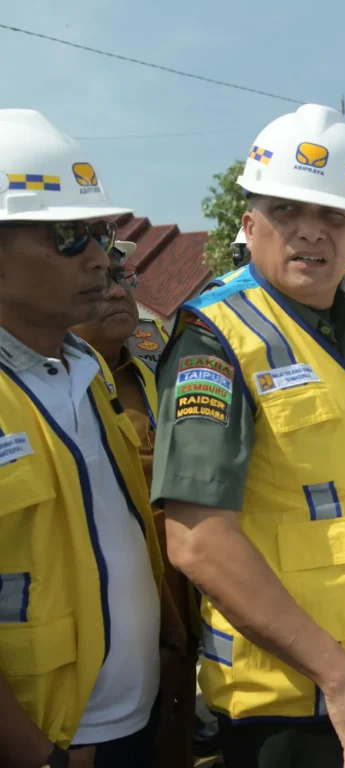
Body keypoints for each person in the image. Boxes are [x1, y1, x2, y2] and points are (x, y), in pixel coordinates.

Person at [149, 103, 345, 767]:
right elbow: (197, 540)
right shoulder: (214, 339)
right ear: (249, 224)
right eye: (287, 210)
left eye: (334, 215)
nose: (312, 231)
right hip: (295, 700)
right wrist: (338, 678)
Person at [0, 109, 169, 767]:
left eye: (101, 232)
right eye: (70, 236)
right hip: (51, 744)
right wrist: (37, 755)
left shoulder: (91, 369)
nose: (101, 257)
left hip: (140, 717)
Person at [69, 241, 195, 768]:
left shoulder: (148, 374)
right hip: (110, 627)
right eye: (102, 283)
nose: (118, 293)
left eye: (123, 279)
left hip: (179, 594)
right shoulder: (61, 390)